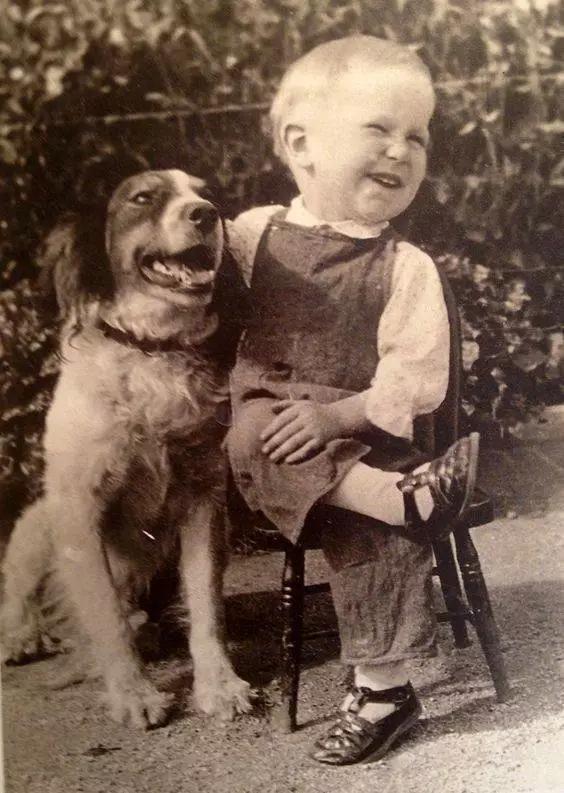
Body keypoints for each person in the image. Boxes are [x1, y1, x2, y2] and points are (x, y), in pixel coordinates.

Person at [226, 35, 479, 765]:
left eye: (418, 137)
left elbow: (414, 378)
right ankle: (406, 500)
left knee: (368, 527)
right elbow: (196, 309)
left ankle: (384, 692)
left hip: (364, 430)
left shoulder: (405, 266)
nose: (401, 150)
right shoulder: (250, 238)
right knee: (252, 433)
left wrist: (337, 417)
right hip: (272, 431)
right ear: (300, 144)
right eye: (379, 129)